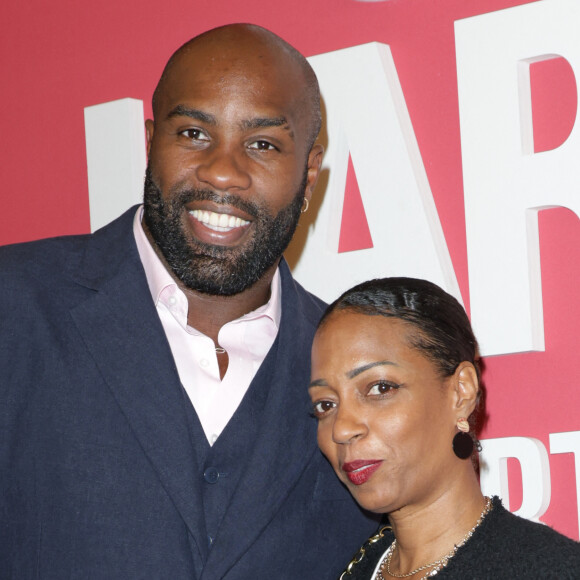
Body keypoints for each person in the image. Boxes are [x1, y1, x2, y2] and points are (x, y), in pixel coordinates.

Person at [0, 24, 378, 579]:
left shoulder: (358, 367)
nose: (223, 171)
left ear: (310, 174)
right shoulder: (14, 305)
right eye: (195, 134)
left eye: (264, 144)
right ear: (151, 142)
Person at [309, 277, 580, 579]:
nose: (342, 430)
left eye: (379, 388)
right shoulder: (353, 567)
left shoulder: (553, 570)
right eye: (325, 405)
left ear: (460, 392)